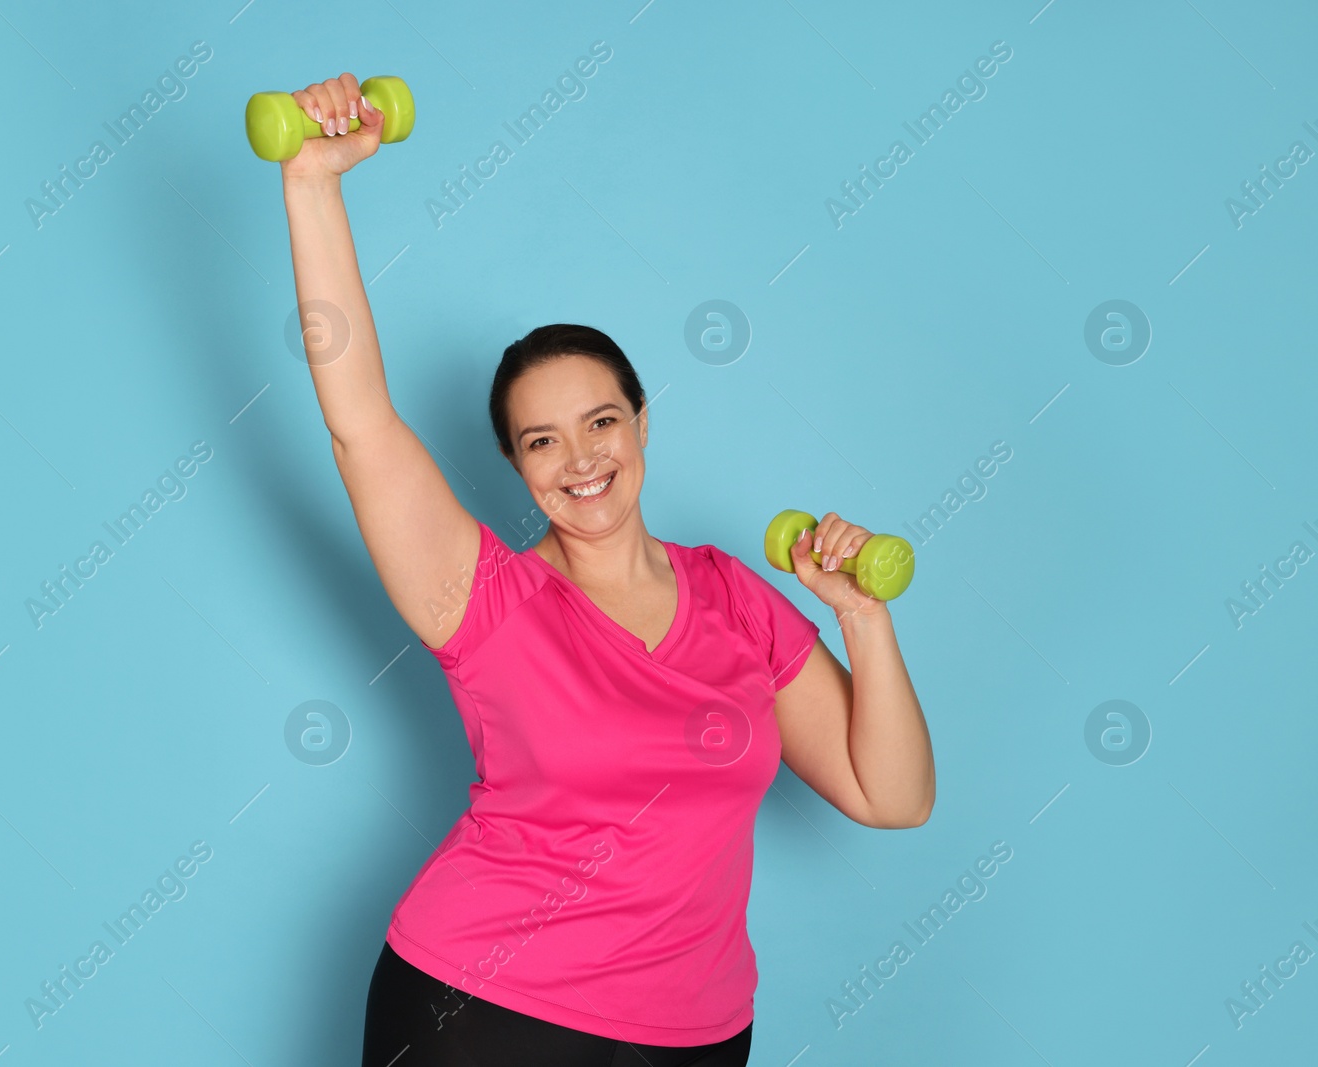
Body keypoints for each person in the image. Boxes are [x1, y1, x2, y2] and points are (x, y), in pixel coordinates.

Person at [277, 72, 936, 1067]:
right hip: (482, 1010)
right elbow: (358, 419)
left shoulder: (735, 599)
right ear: (514, 465)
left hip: (696, 1032)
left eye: (599, 422)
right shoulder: (485, 600)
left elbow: (890, 794)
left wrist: (862, 620)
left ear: (639, 423)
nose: (580, 459)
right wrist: (312, 184)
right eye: (541, 441)